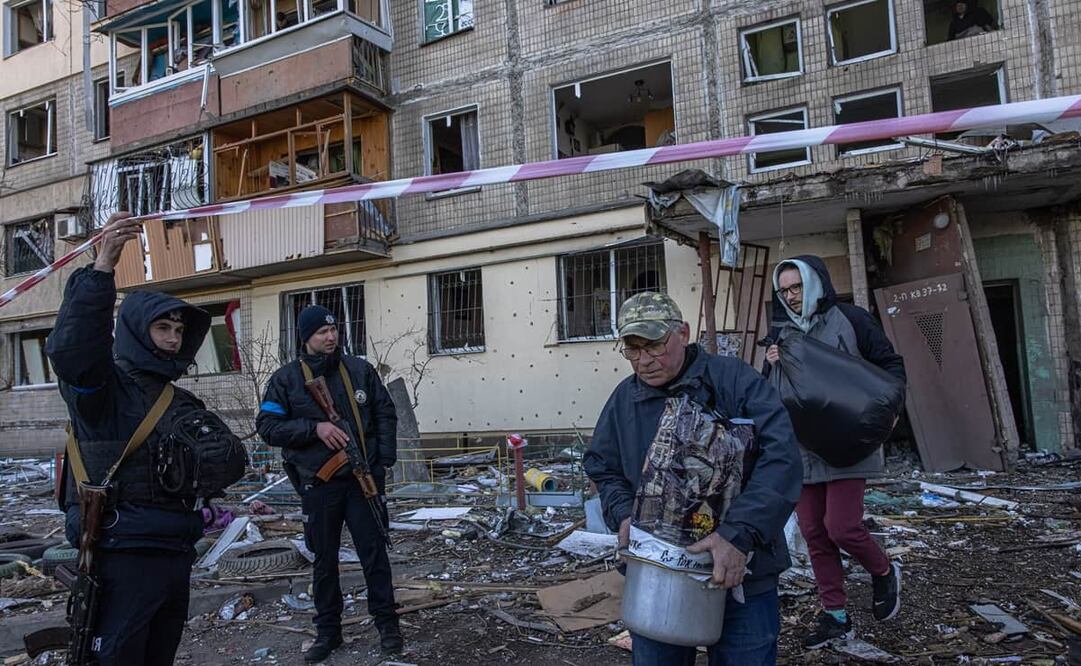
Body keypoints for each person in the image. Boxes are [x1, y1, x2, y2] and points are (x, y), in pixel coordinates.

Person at [46, 212, 231, 665]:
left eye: (179, 331)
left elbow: (220, 466)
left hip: (175, 552)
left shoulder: (180, 401)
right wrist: (102, 268)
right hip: (123, 555)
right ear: (133, 331)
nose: (172, 339)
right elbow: (72, 350)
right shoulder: (103, 391)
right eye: (161, 328)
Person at [584, 292, 802, 666]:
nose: (644, 360)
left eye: (653, 345)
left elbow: (782, 460)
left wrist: (738, 535)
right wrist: (622, 515)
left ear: (682, 332)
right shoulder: (625, 399)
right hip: (656, 573)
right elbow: (603, 466)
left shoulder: (734, 380)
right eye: (632, 349)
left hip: (743, 571)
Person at [764, 256, 906, 648]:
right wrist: (770, 364)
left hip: (847, 442)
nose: (792, 297)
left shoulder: (851, 319)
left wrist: (892, 413)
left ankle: (883, 570)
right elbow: (774, 390)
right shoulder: (780, 333)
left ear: (815, 283)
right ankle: (836, 617)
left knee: (841, 527)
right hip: (804, 447)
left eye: (797, 287)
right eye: (785, 290)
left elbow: (890, 364)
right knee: (813, 531)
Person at [257, 305, 402, 662]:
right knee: (324, 561)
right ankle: (328, 632)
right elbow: (268, 427)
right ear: (306, 337)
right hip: (319, 485)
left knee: (374, 555)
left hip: (361, 481)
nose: (331, 336)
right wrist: (314, 429)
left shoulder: (359, 370)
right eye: (322, 332)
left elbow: (384, 412)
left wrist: (383, 461)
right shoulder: (287, 380)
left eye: (334, 329)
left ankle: (388, 627)